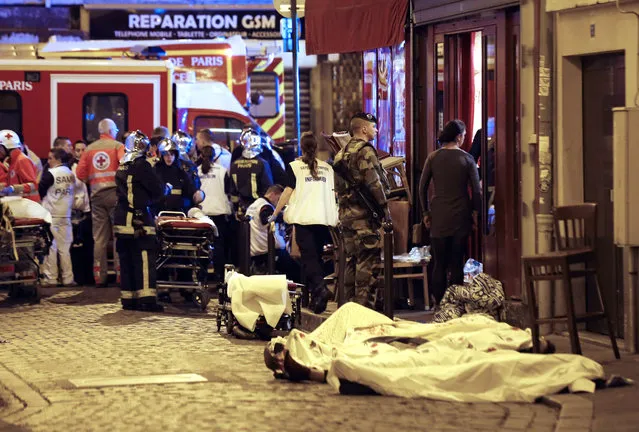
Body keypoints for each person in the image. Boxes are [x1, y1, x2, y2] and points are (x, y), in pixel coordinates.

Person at [271, 132, 338, 314]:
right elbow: (334, 193)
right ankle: (317, 298)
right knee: (315, 257)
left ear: (301, 147)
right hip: (323, 219)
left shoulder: (294, 167)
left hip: (304, 219)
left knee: (308, 258)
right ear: (316, 147)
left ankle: (320, 289)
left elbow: (287, 192)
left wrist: (275, 212)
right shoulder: (326, 168)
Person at [419, 119, 481, 306]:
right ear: (458, 137)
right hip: (461, 215)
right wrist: (476, 213)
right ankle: (455, 303)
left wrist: (425, 213)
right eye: (463, 135)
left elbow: (422, 188)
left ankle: (438, 302)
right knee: (456, 262)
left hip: (439, 216)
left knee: (439, 262)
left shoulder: (433, 157)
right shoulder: (467, 159)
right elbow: (476, 191)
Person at [333, 113, 390, 310]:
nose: (376, 130)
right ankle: (363, 313)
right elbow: (375, 184)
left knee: (351, 263)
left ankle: (348, 310)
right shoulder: (365, 151)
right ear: (364, 129)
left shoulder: (341, 153)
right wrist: (385, 210)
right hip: (364, 220)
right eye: (373, 126)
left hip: (346, 219)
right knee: (367, 268)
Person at [113, 131, 166, 312]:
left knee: (126, 259)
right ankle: (146, 300)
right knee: (143, 258)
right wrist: (165, 189)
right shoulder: (142, 165)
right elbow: (156, 190)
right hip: (140, 219)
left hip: (122, 218)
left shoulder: (122, 164)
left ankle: (128, 299)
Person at [76, 118, 125, 287]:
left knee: (99, 239)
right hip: (115, 195)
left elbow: (80, 174)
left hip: (96, 197)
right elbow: (124, 167)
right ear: (111, 131)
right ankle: (120, 275)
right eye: (116, 129)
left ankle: (99, 277)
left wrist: (93, 182)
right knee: (118, 235)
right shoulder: (118, 146)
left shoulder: (89, 149)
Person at [246, 184, 299, 282]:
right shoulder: (265, 206)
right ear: (273, 194)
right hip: (269, 252)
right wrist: (285, 215)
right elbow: (267, 219)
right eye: (279, 199)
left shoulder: (254, 205)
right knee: (299, 270)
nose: (280, 204)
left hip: (256, 251)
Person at [39, 147, 76, 287]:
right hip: (65, 215)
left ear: (58, 159)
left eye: (50, 158)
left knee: (51, 247)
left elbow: (41, 189)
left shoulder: (51, 174)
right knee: (65, 248)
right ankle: (68, 278)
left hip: (51, 215)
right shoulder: (71, 174)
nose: (48, 162)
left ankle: (51, 278)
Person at [198, 142, 233, 281]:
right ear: (215, 156)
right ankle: (219, 277)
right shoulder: (222, 170)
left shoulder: (197, 171)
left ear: (201, 155)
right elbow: (228, 192)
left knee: (202, 246)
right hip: (219, 212)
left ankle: (202, 275)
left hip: (203, 213)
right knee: (219, 246)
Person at [230, 128, 273, 213]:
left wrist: (236, 209)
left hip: (242, 207)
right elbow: (268, 188)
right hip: (258, 207)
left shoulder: (234, 164)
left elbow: (232, 191)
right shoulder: (262, 163)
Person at [154, 138, 201, 213]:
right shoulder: (156, 169)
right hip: (160, 210)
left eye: (171, 154)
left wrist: (197, 193)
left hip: (181, 211)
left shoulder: (182, 170)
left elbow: (191, 189)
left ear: (176, 155)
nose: (169, 157)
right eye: (166, 154)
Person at [0, 130, 40, 202]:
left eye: (0, 147)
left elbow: (33, 185)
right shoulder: (13, 161)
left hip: (29, 206)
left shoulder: (22, 160)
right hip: (22, 205)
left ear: (6, 147)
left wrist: (13, 188)